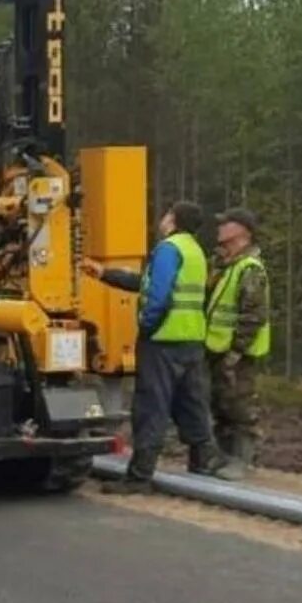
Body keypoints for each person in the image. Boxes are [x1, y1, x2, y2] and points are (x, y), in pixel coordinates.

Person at [81, 201, 216, 490]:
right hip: (191, 339)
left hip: (162, 341)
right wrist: (105, 273)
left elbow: (158, 293)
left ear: (174, 220)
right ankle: (202, 463)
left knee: (151, 405)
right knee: (190, 402)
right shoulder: (195, 251)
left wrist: (147, 325)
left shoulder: (168, 249)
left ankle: (139, 476)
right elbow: (144, 282)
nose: (162, 219)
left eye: (167, 214)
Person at [205, 207, 273, 480]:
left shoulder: (250, 269)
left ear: (241, 232)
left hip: (237, 354)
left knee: (240, 406)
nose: (220, 228)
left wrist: (236, 350)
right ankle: (224, 457)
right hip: (218, 350)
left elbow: (253, 315)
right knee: (221, 404)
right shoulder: (227, 266)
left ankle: (242, 461)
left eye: (226, 224)